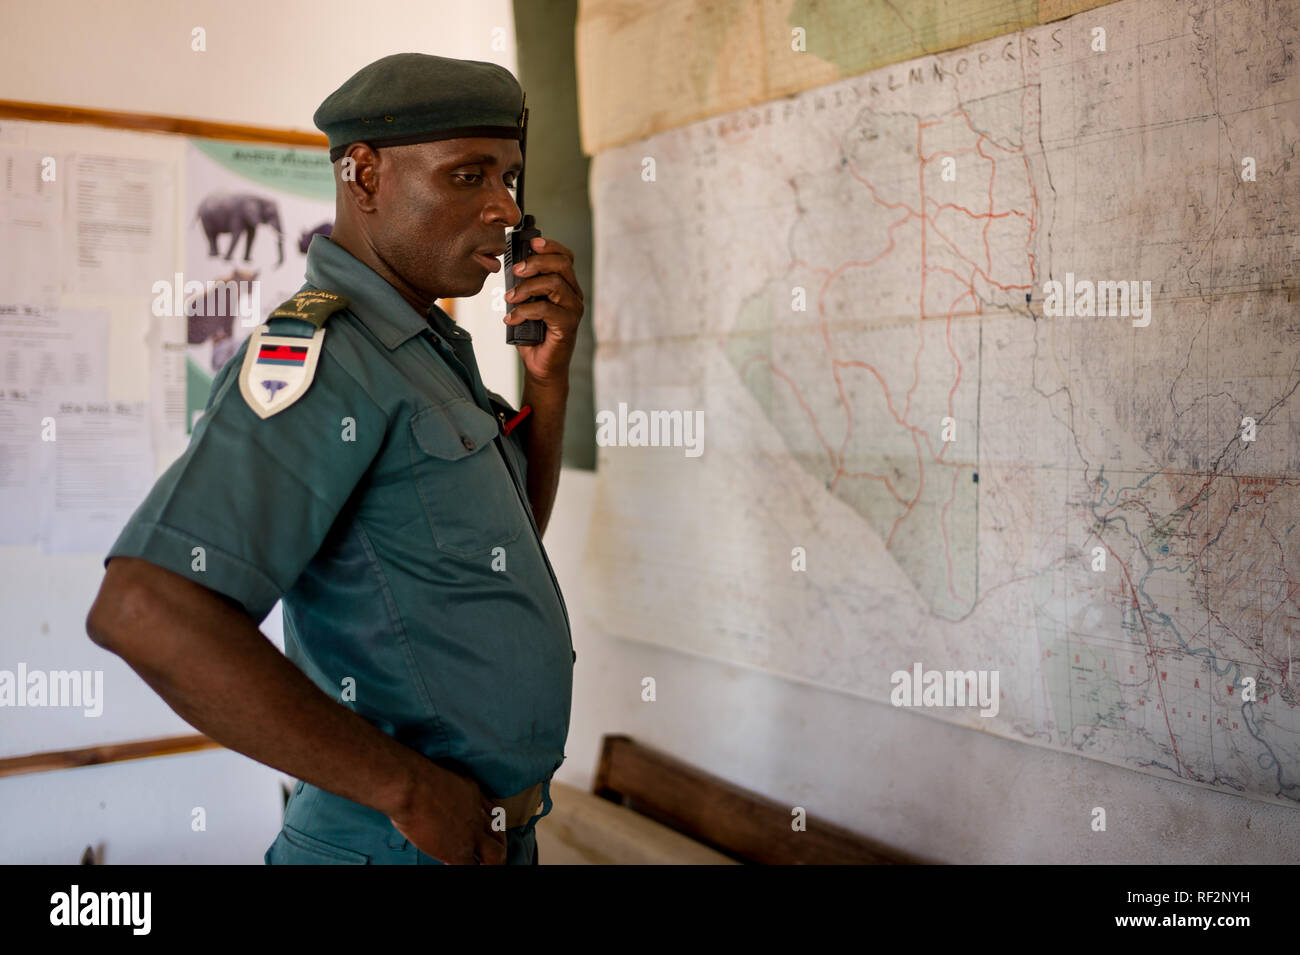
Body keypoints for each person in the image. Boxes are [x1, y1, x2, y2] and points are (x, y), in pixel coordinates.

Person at [84, 52, 584, 866]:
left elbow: (503, 548)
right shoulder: (325, 358)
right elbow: (145, 610)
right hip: (394, 844)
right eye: (468, 176)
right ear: (363, 175)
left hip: (488, 839)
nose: (504, 209)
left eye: (510, 179)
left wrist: (548, 383)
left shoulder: (425, 350)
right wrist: (408, 791)